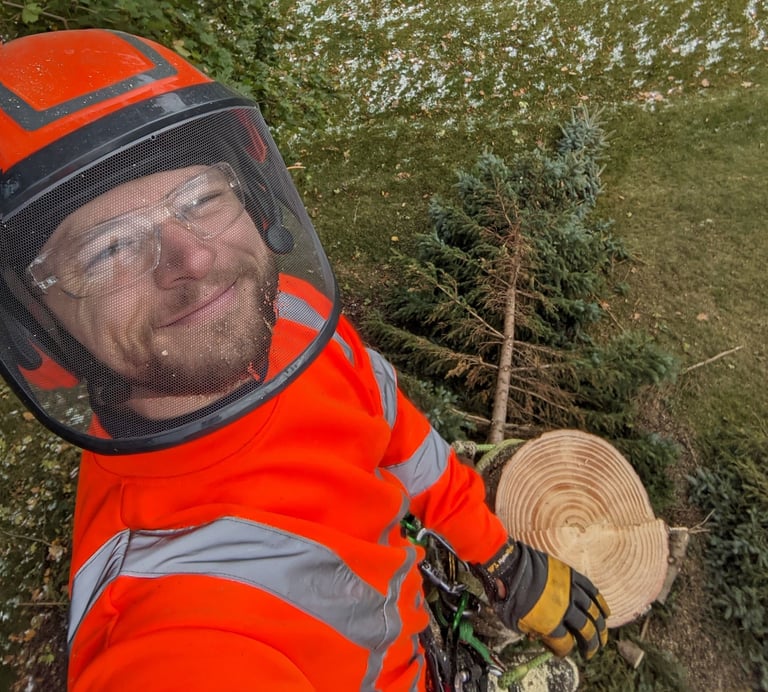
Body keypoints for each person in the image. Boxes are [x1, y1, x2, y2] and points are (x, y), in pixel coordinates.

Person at [0, 29, 609, 691]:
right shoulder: (170, 628)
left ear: (254, 200)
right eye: (107, 249)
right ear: (38, 335)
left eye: (201, 197)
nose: (195, 259)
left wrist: (499, 556)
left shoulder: (291, 314)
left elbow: (396, 431)